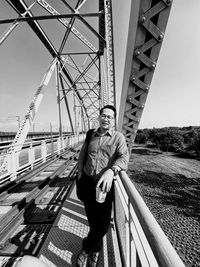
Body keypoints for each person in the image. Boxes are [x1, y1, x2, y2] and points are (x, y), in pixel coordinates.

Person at [76, 105, 129, 267]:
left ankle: (86, 248)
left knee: (104, 225)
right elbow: (82, 155)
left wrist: (112, 171)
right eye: (104, 116)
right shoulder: (90, 134)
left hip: (104, 187)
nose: (106, 119)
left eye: (110, 117)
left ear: (113, 121)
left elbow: (124, 158)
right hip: (86, 182)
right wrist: (79, 176)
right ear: (99, 117)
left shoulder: (118, 137)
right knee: (93, 222)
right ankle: (95, 251)